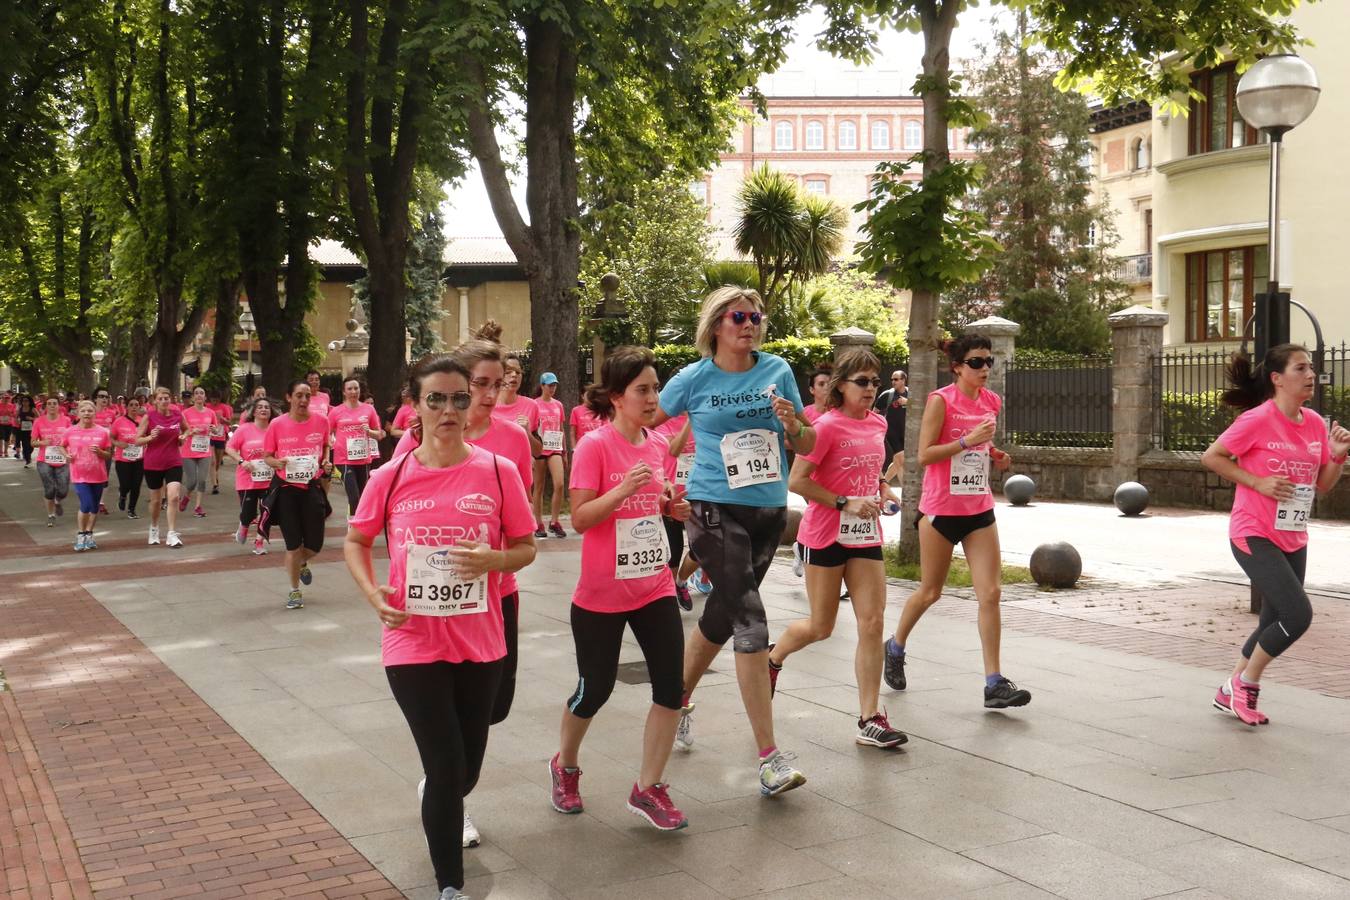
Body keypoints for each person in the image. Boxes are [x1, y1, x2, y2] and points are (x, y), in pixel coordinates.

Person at [344, 354, 536, 900]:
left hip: (481, 641)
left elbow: (525, 547)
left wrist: (493, 561)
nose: (449, 409)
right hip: (412, 641)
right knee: (447, 764)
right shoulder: (391, 475)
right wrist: (372, 592)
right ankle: (450, 885)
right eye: (436, 399)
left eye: (457, 398)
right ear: (416, 405)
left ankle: (440, 790)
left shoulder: (498, 472)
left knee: (464, 768)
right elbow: (356, 541)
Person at [654, 285, 815, 797]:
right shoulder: (694, 377)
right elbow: (647, 423)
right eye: (738, 316)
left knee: (721, 616)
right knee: (751, 618)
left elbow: (807, 439)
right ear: (717, 325)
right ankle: (769, 758)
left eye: (756, 317)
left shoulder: (778, 370)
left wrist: (794, 425)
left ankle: (675, 700)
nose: (750, 324)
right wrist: (653, 477)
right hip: (711, 507)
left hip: (768, 510)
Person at [548, 346, 691, 830]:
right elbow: (581, 519)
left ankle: (648, 787)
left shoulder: (656, 445)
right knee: (595, 690)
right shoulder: (595, 446)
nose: (653, 398)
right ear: (616, 397)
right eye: (642, 390)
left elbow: (659, 506)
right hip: (601, 596)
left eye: (655, 387)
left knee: (672, 688)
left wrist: (673, 508)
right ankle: (564, 765)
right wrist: (623, 490)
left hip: (654, 586)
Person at [1201, 344, 1350, 726]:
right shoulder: (1256, 419)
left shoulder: (1315, 423)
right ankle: (1246, 685)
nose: (1311, 374)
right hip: (1253, 532)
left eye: (1311, 367)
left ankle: (1228, 690)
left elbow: (1323, 486)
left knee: (1272, 622)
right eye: (1301, 368)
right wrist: (1258, 482)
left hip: (1293, 534)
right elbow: (1212, 456)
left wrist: (1336, 456)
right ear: (1277, 378)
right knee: (1297, 614)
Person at [770, 349, 907, 748]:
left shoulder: (878, 422)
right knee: (821, 627)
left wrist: (884, 491)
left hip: (865, 536)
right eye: (861, 382)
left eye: (874, 382)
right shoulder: (825, 426)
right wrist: (845, 501)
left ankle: (870, 717)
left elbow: (872, 471)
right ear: (840, 386)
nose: (870, 389)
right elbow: (798, 481)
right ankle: (772, 659)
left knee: (873, 622)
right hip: (825, 534)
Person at [882, 336, 1027, 709]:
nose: (985, 369)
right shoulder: (940, 400)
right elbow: (924, 455)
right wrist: (967, 441)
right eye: (977, 362)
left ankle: (993, 683)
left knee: (991, 593)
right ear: (958, 366)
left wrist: (995, 454)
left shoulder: (992, 401)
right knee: (931, 592)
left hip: (978, 508)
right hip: (941, 511)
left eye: (989, 362)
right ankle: (895, 646)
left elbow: (982, 446)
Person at [263, 380, 332, 609]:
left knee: (315, 544)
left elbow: (325, 448)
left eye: (307, 396)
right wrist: (277, 462)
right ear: (289, 397)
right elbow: (267, 456)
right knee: (292, 544)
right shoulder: (277, 424)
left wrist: (326, 462)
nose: (303, 400)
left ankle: (301, 562)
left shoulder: (321, 421)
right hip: (286, 490)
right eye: (299, 396)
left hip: (311, 487)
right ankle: (294, 591)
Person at [137, 386, 188, 547]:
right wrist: (149, 437)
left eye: (167, 398)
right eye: (160, 398)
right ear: (155, 401)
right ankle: (154, 527)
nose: (164, 401)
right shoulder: (149, 416)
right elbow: (137, 439)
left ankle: (172, 533)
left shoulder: (177, 414)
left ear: (170, 399)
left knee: (173, 496)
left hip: (173, 461)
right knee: (156, 501)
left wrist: (183, 437)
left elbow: (188, 430)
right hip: (153, 462)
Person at [61, 400, 113, 551]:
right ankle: (80, 534)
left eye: (90, 411)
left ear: (94, 414)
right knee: (87, 504)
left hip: (98, 474)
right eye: (83, 411)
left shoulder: (103, 432)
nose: (86, 413)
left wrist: (100, 452)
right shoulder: (70, 431)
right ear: (78, 414)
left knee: (95, 507)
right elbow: (61, 445)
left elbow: (109, 454)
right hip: (79, 474)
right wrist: (67, 456)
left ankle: (89, 534)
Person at [227, 396, 276, 555]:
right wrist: (241, 461)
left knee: (267, 512)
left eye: (267, 407)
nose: (263, 409)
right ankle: (244, 525)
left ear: (271, 412)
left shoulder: (274, 429)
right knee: (248, 514)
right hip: (247, 479)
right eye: (260, 407)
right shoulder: (244, 429)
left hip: (269, 479)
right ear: (254, 411)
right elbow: (230, 447)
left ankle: (259, 542)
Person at [329, 377, 384, 515]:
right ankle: (354, 526)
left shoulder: (369, 409)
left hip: (363, 459)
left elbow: (379, 434)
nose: (353, 391)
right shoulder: (336, 411)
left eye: (356, 388)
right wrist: (331, 443)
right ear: (344, 392)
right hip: (343, 459)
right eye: (350, 389)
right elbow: (326, 433)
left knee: (362, 496)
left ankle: (360, 522)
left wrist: (369, 431)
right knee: (353, 496)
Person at [533, 372, 567, 538]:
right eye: (549, 385)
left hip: (555, 448)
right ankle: (538, 523)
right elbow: (530, 429)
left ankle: (554, 521)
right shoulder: (534, 404)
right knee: (538, 487)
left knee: (559, 483)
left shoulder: (558, 405)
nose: (552, 388)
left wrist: (564, 452)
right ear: (542, 386)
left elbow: (561, 429)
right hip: (539, 449)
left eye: (554, 385)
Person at [32, 397, 72, 526]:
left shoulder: (66, 420)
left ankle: (57, 500)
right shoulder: (38, 421)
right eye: (49, 404)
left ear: (59, 406)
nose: (52, 406)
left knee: (63, 490)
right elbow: (32, 443)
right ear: (45, 407)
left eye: (54, 403)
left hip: (62, 458)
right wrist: (42, 442)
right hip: (44, 460)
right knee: (49, 489)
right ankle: (51, 515)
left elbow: (71, 437)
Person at [180, 387, 219, 517]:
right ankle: (186, 497)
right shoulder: (185, 413)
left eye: (201, 393)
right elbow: (181, 432)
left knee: (202, 480)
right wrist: (191, 431)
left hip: (204, 451)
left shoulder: (210, 413)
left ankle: (198, 507)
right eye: (196, 393)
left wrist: (214, 430)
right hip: (188, 451)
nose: (199, 395)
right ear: (193, 397)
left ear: (205, 397)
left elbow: (217, 430)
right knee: (191, 482)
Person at [110, 396, 146, 519]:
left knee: (136, 485)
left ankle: (132, 509)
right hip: (122, 459)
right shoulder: (119, 421)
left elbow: (148, 435)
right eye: (131, 405)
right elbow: (111, 437)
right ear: (127, 407)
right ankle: (123, 495)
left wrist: (145, 441)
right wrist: (118, 443)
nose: (134, 407)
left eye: (137, 405)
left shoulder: (143, 421)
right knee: (126, 484)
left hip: (139, 458)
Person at [874, 370, 909, 484]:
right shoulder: (887, 395)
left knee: (897, 462)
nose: (893, 382)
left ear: (903, 380)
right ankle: (906, 496)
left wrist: (907, 402)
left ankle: (881, 485)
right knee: (901, 460)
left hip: (905, 432)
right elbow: (874, 413)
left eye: (896, 379)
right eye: (892, 379)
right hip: (891, 432)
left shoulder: (910, 394)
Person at [207, 390, 233, 494]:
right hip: (210, 436)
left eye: (216, 400)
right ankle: (215, 484)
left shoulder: (224, 407)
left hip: (221, 436)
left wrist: (222, 418)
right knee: (212, 461)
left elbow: (229, 421)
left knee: (217, 462)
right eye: (213, 400)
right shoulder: (207, 407)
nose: (214, 402)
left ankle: (216, 476)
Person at [15, 395, 36, 466]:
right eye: (23, 401)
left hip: (31, 429)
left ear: (29, 402)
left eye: (26, 401)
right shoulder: (20, 409)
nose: (25, 402)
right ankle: (28, 460)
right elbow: (16, 417)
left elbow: (39, 418)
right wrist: (18, 421)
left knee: (31, 445)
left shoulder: (33, 409)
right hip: (22, 429)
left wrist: (32, 418)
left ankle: (28, 454)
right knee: (24, 444)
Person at [0, 391, 15, 458]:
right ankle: (0, 452)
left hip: (9, 423)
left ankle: (6, 451)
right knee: (0, 438)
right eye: (5, 398)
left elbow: (14, 415)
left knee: (7, 438)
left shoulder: (11, 405)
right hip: (0, 423)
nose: (6, 399)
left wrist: (10, 414)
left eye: (7, 398)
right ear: (2, 398)